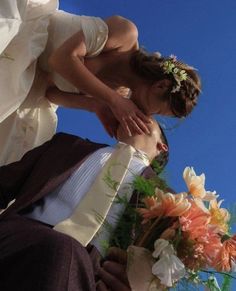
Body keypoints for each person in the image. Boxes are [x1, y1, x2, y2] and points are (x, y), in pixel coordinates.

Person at [0, 0, 201, 165]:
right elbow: (61, 59)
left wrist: (96, 105)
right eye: (158, 111)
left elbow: (50, 93)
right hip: (26, 30)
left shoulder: (118, 93)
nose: (149, 115)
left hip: (28, 73)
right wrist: (112, 99)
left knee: (18, 150)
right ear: (161, 86)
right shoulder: (126, 36)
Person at [0, 119, 168, 291]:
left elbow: (164, 266)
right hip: (16, 235)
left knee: (65, 252)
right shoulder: (67, 144)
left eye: (146, 118)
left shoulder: (167, 198)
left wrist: (143, 285)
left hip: (89, 272)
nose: (137, 115)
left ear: (161, 146)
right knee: (63, 249)